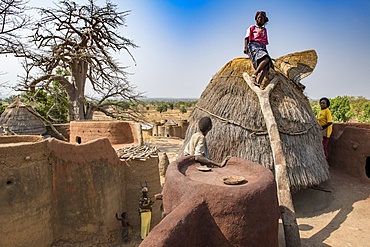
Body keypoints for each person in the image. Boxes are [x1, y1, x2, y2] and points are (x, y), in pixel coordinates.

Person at [244, 11, 273, 87]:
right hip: (254, 45)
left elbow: (264, 42)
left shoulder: (264, 30)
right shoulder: (252, 27)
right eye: (259, 17)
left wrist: (265, 51)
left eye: (262, 18)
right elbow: (246, 38)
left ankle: (259, 83)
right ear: (256, 19)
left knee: (267, 65)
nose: (260, 19)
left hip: (262, 47)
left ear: (264, 20)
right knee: (266, 59)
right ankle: (254, 75)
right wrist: (245, 47)